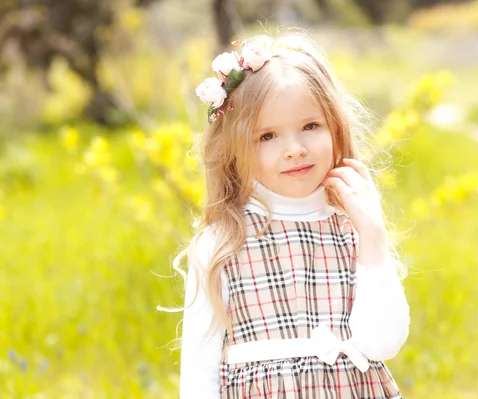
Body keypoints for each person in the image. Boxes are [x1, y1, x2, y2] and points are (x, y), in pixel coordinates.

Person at [174, 31, 410, 398]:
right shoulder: (222, 243)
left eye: (310, 126)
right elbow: (198, 375)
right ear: (235, 147)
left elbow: (383, 344)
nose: (295, 149)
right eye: (268, 136)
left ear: (335, 127)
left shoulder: (354, 230)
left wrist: (374, 236)